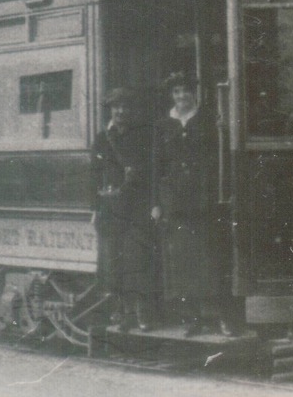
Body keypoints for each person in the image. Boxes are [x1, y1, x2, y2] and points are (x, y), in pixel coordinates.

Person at [151, 72, 225, 337]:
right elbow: (156, 166)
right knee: (182, 261)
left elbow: (217, 155)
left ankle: (213, 316)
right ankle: (192, 317)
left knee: (207, 256)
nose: (181, 96)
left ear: (193, 93)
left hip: (203, 198)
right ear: (171, 96)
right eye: (176, 92)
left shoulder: (206, 119)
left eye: (185, 91)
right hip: (174, 201)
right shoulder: (163, 125)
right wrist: (156, 203)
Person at [94, 87, 153, 332]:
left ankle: (140, 312)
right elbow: (94, 174)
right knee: (113, 262)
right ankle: (120, 312)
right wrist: (94, 207)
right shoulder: (101, 138)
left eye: (125, 107)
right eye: (116, 107)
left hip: (136, 207)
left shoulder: (141, 136)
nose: (121, 111)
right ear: (111, 110)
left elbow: (150, 171)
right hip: (110, 207)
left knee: (136, 260)